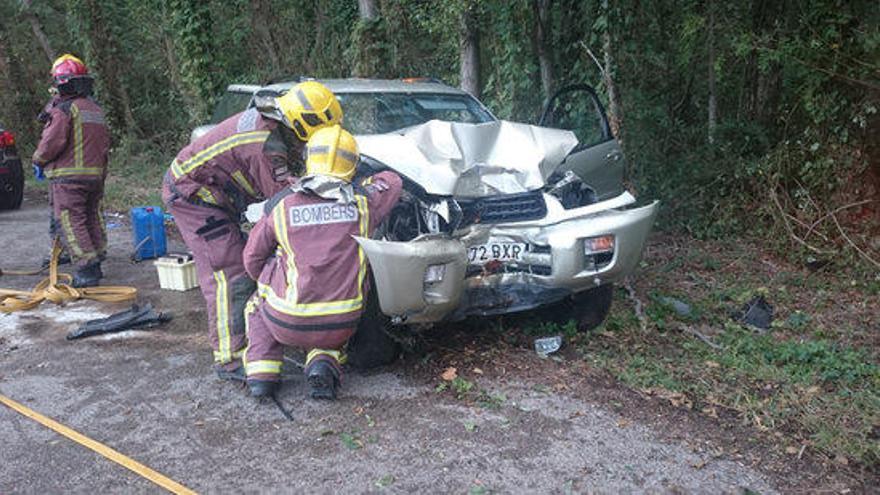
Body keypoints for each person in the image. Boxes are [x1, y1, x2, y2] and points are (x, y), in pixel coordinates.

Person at [162, 81, 343, 380]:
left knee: (246, 260)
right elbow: (287, 203)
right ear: (303, 124)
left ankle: (253, 338)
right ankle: (230, 358)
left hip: (213, 192)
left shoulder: (276, 121)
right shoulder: (267, 148)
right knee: (229, 272)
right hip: (194, 196)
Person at [241, 125, 402, 400]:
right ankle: (322, 364)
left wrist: (270, 277)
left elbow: (252, 259)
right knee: (327, 320)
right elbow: (392, 181)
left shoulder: (282, 206)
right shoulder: (364, 204)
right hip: (344, 321)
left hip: (287, 322)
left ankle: (261, 377)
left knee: (257, 304)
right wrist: (360, 181)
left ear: (308, 159)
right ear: (353, 164)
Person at [32, 54, 110, 287]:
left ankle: (87, 270)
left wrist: (38, 160)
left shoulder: (64, 109)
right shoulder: (94, 108)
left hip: (68, 177)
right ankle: (96, 256)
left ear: (62, 82)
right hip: (94, 175)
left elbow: (51, 143)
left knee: (70, 220)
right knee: (90, 216)